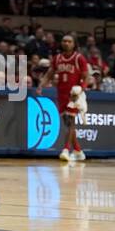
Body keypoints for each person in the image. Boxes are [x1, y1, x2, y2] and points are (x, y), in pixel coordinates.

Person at [40, 34, 89, 162]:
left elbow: (86, 77)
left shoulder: (79, 58)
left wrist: (80, 90)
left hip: (74, 95)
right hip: (61, 94)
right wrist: (41, 86)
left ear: (74, 44)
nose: (66, 43)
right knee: (67, 122)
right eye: (64, 41)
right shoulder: (57, 59)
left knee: (70, 122)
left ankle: (66, 149)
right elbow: (49, 74)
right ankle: (78, 151)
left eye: (69, 41)